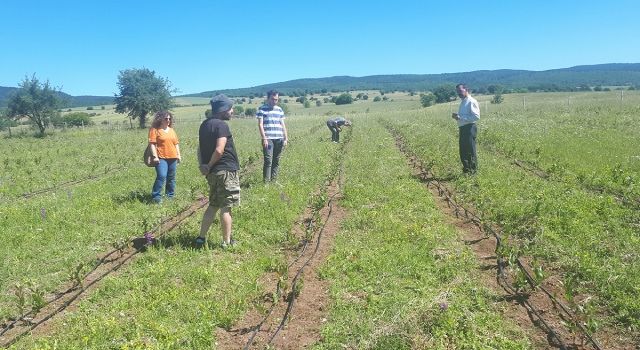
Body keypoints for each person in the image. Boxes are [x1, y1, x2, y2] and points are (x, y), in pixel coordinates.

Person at [195, 94, 240, 249]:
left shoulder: (204, 125)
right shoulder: (222, 126)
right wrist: (210, 164)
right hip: (225, 171)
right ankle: (227, 242)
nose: (232, 111)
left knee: (213, 205)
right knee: (226, 207)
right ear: (223, 110)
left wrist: (204, 165)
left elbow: (199, 149)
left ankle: (201, 238)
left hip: (212, 173)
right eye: (230, 108)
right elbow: (220, 150)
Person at [148, 111, 181, 203]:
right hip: (161, 157)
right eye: (166, 118)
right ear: (160, 119)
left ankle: (170, 196)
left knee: (171, 178)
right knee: (162, 176)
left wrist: (178, 155)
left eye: (169, 119)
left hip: (173, 157)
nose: (168, 120)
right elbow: (152, 144)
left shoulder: (171, 130)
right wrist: (155, 156)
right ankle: (156, 197)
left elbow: (176, 143)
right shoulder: (154, 130)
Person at [257, 90, 288, 182]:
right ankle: (266, 183)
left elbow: (283, 124)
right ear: (268, 98)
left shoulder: (279, 110)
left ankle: (274, 181)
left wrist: (286, 138)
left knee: (276, 160)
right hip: (268, 139)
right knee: (268, 160)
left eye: (276, 99)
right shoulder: (261, 109)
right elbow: (260, 125)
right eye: (273, 99)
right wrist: (264, 138)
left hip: (279, 138)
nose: (274, 101)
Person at [452, 83, 480, 174]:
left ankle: (473, 172)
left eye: (460, 91)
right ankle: (467, 170)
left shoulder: (471, 101)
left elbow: (476, 117)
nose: (458, 93)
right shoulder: (463, 101)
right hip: (463, 128)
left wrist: (461, 118)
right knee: (463, 150)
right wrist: (458, 117)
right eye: (457, 91)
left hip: (469, 128)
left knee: (470, 150)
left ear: (466, 90)